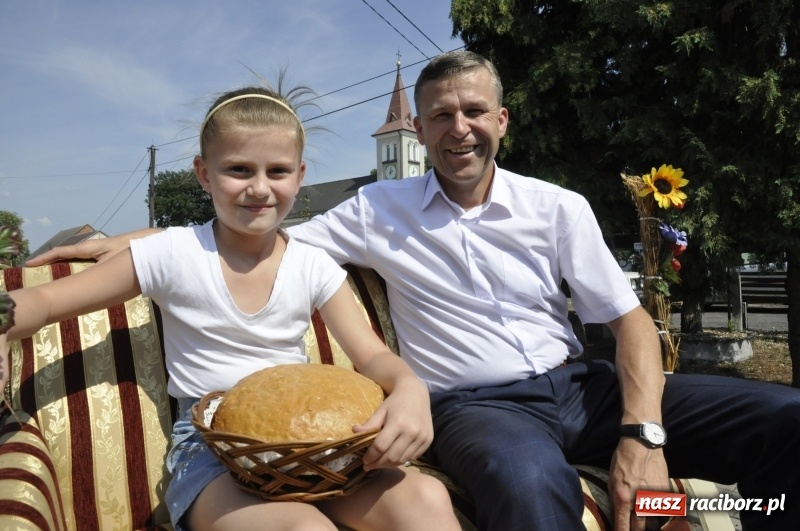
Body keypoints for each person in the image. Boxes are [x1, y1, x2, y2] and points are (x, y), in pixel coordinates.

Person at [26, 52, 800, 531]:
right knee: (529, 486)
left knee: (784, 416)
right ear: (419, 134)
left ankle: (688, 511)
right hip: (479, 408)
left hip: (581, 387)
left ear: (501, 119)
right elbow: (241, 231)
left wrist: (643, 435)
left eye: (472, 112)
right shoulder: (372, 210)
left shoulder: (556, 206)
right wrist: (111, 240)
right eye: (439, 117)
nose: (458, 128)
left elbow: (630, 323)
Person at [2, 85, 461, 531]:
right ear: (204, 173)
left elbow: (373, 355)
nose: (259, 189)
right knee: (301, 528)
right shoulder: (174, 254)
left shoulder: (312, 264)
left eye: (277, 171)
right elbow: (43, 301)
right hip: (210, 451)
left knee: (426, 498)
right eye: (239, 170)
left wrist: (409, 387)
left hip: (308, 445)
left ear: (300, 176)